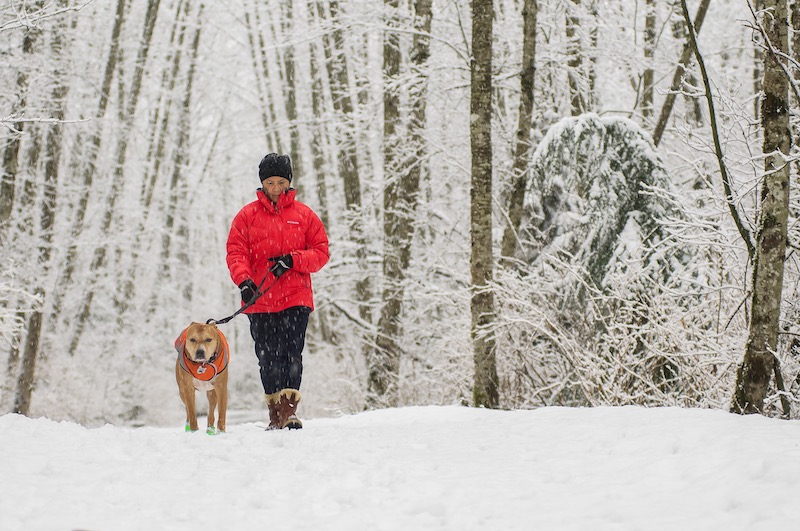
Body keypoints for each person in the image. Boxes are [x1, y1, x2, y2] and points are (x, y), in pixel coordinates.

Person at [226, 153, 329, 430]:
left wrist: (294, 260)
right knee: (267, 358)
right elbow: (236, 252)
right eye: (270, 182)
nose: (275, 188)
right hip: (260, 298)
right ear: (262, 182)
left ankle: (289, 412)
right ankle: (275, 415)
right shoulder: (247, 216)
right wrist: (244, 281)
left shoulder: (304, 215)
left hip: (296, 297)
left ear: (289, 182)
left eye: (281, 182)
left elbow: (321, 252)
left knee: (292, 354)